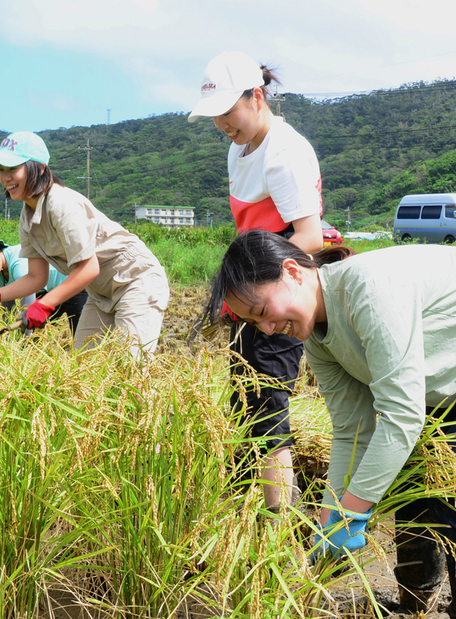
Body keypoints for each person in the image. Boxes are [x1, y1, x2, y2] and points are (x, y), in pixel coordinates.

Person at [206, 230, 456, 619]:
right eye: (255, 322)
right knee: (417, 472)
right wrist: (329, 516)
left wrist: (351, 513)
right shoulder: (318, 338)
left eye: (264, 311)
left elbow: (402, 416)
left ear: (292, 271)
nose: (267, 330)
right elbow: (353, 431)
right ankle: (423, 600)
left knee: (454, 486)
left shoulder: (367, 289)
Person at [189, 51, 324, 513]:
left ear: (257, 96)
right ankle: (243, 511)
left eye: (229, 111)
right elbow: (249, 233)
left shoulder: (283, 152)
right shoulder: (239, 149)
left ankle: (277, 521)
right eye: (215, 117)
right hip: (252, 295)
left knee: (267, 408)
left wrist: (260, 301)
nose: (223, 124)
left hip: (280, 296)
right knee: (242, 401)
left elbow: (309, 235)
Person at [0, 131, 168, 359]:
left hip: (135, 278)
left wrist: (44, 305)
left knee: (131, 365)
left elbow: (89, 267)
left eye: (13, 168)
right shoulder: (28, 218)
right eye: (1, 170)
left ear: (40, 169)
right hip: (100, 291)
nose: (5, 177)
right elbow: (37, 278)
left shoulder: (60, 203)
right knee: (83, 365)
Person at [0, 230, 88, 335]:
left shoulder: (17, 260)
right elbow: (8, 312)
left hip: (73, 285)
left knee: (80, 336)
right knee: (40, 334)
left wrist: (23, 347)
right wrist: (6, 337)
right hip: (49, 292)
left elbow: (28, 306)